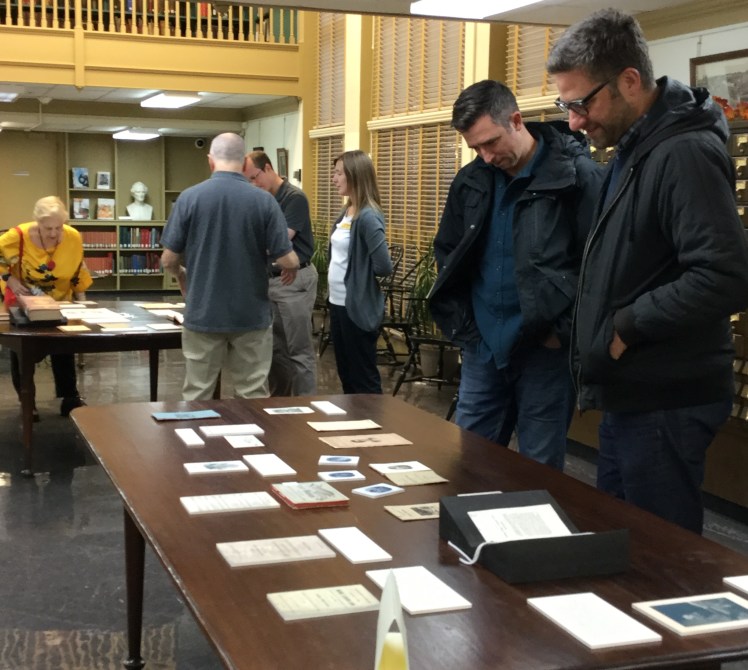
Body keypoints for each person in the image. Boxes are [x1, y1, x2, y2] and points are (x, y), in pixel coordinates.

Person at [547, 8, 748, 532]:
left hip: (665, 398)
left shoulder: (683, 152)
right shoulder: (634, 151)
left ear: (629, 81)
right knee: (624, 549)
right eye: (564, 105)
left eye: (580, 103)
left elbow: (725, 274)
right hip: (634, 393)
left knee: (659, 561)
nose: (573, 120)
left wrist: (626, 326)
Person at [429, 80, 603, 471]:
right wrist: (467, 329)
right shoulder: (470, 180)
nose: (486, 156)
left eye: (491, 143)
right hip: (483, 348)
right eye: (475, 148)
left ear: (517, 120)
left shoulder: (579, 178)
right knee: (469, 463)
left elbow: (599, 268)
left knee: (538, 470)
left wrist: (562, 332)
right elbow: (449, 253)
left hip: (545, 353)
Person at [160, 133, 300, 400]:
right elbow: (286, 257)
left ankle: (198, 440)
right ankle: (253, 441)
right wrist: (291, 266)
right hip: (250, 316)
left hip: (203, 313)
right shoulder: (264, 201)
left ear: (210, 161)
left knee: (198, 393)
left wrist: (181, 275)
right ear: (244, 161)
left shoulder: (189, 198)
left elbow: (169, 259)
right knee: (252, 393)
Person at [0, 196, 92, 418]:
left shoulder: (73, 238)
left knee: (64, 348)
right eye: (48, 228)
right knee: (23, 351)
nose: (54, 234)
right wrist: (9, 278)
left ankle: (69, 398)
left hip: (60, 300)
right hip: (25, 302)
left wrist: (83, 303)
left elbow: (78, 270)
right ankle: (27, 401)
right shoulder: (18, 235)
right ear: (37, 223)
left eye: (59, 228)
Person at [244, 150, 318, 396]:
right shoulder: (263, 199)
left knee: (299, 350)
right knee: (276, 351)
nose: (254, 184)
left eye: (255, 177)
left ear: (268, 169)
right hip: (271, 280)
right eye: (249, 181)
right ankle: (279, 406)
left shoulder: (293, 197)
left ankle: (306, 407)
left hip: (294, 280)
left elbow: (280, 242)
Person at [328, 150, 393, 394]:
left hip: (356, 307)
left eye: (338, 173)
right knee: (347, 374)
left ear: (355, 175)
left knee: (363, 377)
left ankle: (373, 425)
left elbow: (383, 266)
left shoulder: (368, 216)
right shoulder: (346, 212)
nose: (334, 179)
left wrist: (360, 273)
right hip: (337, 303)